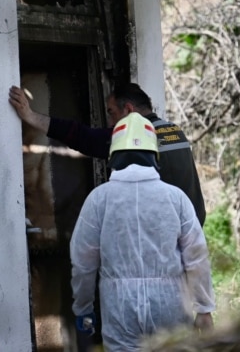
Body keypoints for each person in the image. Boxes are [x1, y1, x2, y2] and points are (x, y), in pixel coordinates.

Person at [70, 112, 215, 351]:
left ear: (113, 155)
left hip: (120, 309)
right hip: (171, 307)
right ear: (154, 155)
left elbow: (83, 261)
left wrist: (83, 308)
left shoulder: (98, 200)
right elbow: (196, 256)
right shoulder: (176, 198)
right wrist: (204, 309)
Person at [8, 82, 208, 225]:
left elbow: (82, 136)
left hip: (163, 238)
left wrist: (31, 117)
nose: (110, 123)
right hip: (191, 229)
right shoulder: (175, 131)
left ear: (128, 110)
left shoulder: (133, 138)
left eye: (111, 113)